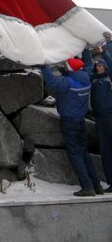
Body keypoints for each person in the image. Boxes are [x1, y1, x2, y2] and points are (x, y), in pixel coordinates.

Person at [41, 55, 104, 197]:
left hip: (69, 122)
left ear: (69, 69)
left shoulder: (67, 83)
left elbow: (51, 81)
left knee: (75, 154)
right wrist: (86, 50)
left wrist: (43, 66)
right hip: (81, 120)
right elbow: (88, 65)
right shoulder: (87, 77)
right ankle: (97, 186)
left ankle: (87, 187)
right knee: (84, 153)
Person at [83, 32, 112, 192]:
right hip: (99, 118)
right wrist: (86, 48)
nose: (97, 66)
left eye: (100, 65)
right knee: (105, 152)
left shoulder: (110, 77)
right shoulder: (93, 77)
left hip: (110, 116)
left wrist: (107, 47)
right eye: (97, 65)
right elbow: (88, 64)